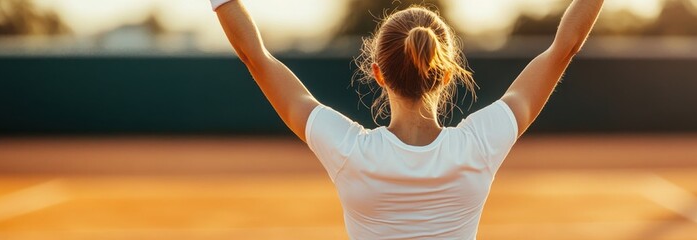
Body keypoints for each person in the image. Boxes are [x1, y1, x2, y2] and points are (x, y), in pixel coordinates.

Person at [210, 0, 603, 238]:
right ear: (446, 72)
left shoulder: (350, 152)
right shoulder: (479, 145)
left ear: (377, 73)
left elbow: (255, 57)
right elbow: (562, 48)